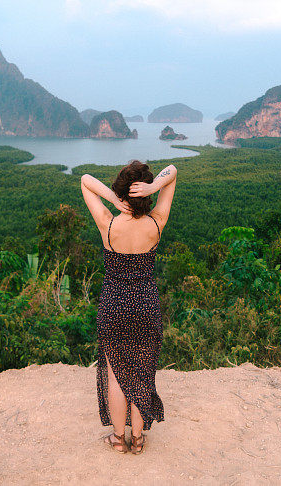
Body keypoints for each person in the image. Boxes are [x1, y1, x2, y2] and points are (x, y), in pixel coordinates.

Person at [80, 160, 178, 454]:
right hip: (146, 304)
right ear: (146, 195)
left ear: (121, 192)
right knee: (142, 372)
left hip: (113, 305)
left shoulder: (108, 224)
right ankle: (138, 439)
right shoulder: (156, 223)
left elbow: (85, 179)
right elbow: (172, 172)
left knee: (114, 374)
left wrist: (114, 199)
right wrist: (154, 185)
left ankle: (118, 439)